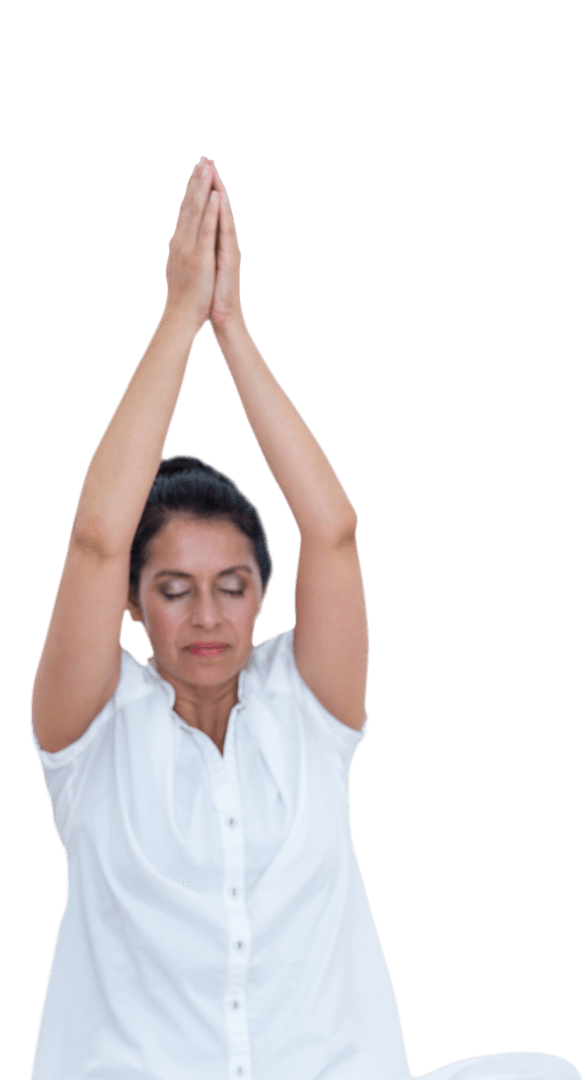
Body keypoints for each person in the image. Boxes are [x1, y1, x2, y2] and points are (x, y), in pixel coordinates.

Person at [28, 158, 580, 1080]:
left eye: (233, 584)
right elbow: (93, 538)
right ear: (130, 603)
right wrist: (178, 317)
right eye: (172, 587)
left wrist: (232, 327)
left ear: (264, 592)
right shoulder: (88, 733)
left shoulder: (308, 706)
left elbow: (335, 529)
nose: (207, 614)